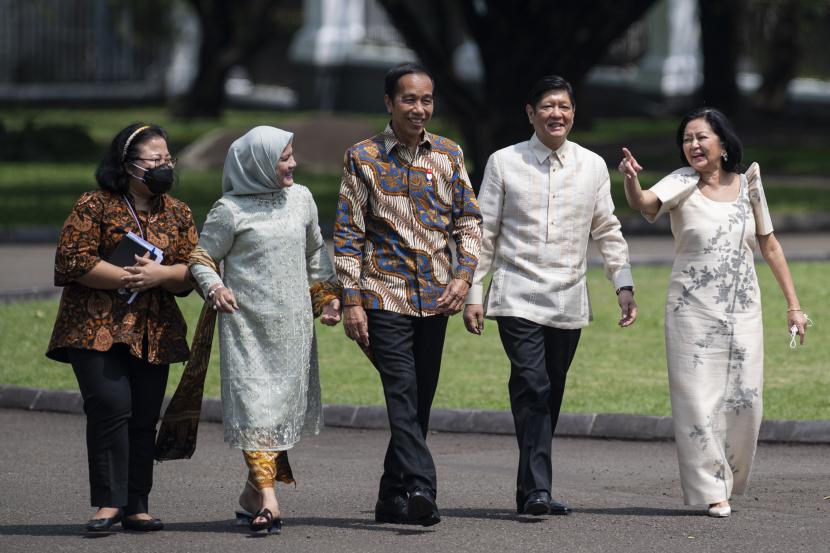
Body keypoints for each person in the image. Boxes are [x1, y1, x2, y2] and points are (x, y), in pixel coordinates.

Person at [617, 107, 809, 517]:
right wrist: (631, 180)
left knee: (746, 401)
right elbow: (644, 202)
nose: (693, 145)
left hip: (743, 310)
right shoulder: (681, 183)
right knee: (696, 403)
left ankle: (729, 477)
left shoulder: (748, 184)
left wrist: (793, 306)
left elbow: (769, 244)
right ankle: (712, 490)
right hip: (690, 311)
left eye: (701, 137)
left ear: (723, 143)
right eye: (687, 139)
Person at [463, 75, 638, 517]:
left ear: (574, 112)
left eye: (564, 106)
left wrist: (623, 284)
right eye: (547, 106)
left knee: (550, 391)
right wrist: (473, 293)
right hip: (516, 292)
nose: (556, 114)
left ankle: (530, 489)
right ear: (530, 112)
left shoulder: (593, 166)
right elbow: (483, 233)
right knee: (532, 384)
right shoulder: (504, 162)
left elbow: (607, 230)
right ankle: (538, 488)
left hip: (568, 299)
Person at [334, 62, 482, 526]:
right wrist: (353, 300)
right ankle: (422, 487)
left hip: (436, 295)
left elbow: (469, 220)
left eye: (426, 100)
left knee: (419, 399)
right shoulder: (363, 156)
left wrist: (463, 277)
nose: (419, 109)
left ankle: (388, 497)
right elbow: (347, 233)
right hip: (384, 294)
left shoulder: (449, 154)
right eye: (409, 100)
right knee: (401, 391)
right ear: (389, 103)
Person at [188, 126, 341, 533]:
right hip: (246, 330)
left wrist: (327, 299)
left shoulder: (302, 199)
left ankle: (251, 493)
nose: (293, 164)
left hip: (292, 330)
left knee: (279, 416)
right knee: (256, 411)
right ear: (257, 164)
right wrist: (216, 286)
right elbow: (202, 258)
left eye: (292, 156)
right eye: (284, 157)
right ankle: (270, 502)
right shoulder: (229, 209)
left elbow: (315, 254)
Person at [46, 123, 198, 532]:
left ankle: (136, 504)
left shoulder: (178, 212)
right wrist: (131, 277)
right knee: (110, 407)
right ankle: (107, 504)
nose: (163, 167)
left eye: (168, 159)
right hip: (95, 327)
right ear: (127, 165)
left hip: (154, 332)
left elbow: (192, 271)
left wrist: (161, 276)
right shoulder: (94, 205)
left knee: (145, 416)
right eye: (154, 160)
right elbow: (73, 261)